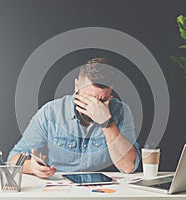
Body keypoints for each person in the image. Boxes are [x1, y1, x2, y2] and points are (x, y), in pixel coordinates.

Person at [8, 57, 140, 178]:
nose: (94, 107)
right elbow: (12, 159)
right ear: (76, 86)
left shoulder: (121, 112)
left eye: (102, 100)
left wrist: (107, 123)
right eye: (88, 98)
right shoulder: (51, 112)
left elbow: (129, 167)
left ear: (111, 90)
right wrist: (31, 167)